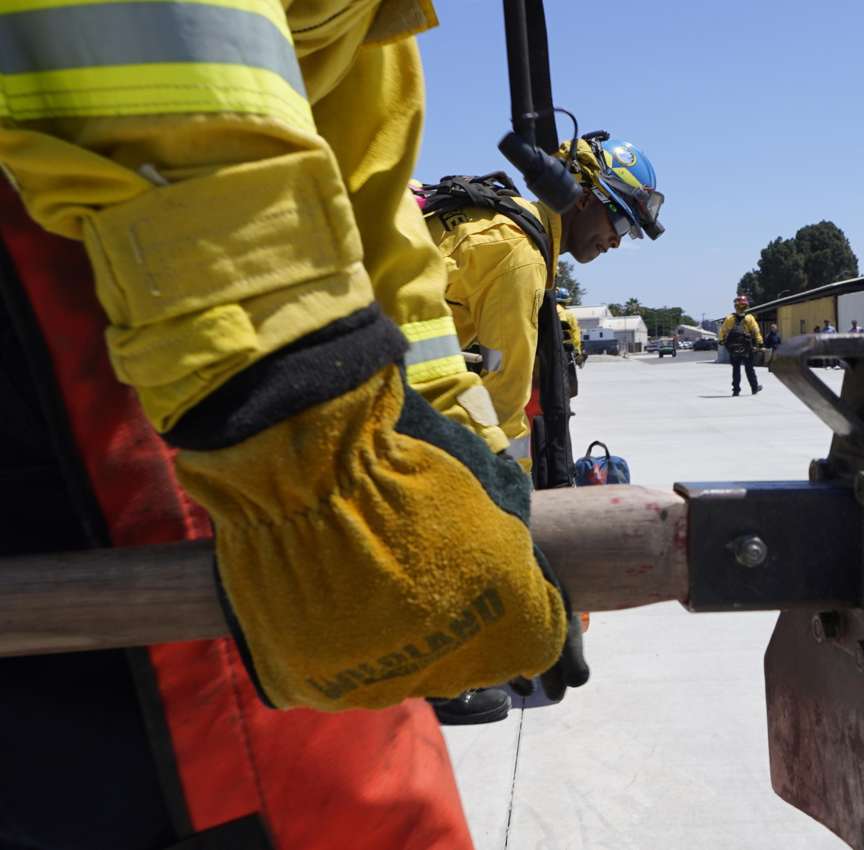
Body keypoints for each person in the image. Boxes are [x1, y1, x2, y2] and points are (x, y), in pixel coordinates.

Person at [0, 3, 585, 846]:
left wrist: (462, 473)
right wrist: (309, 446)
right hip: (138, 391)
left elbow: (367, 204)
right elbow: (159, 58)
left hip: (254, 405)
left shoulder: (380, 38)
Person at [420, 135, 661, 722]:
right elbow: (503, 413)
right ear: (582, 200)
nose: (615, 240)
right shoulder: (520, 257)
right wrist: (523, 527)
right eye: (617, 222)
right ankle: (440, 678)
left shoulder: (508, 229)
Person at [720, 295, 764, 396]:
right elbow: (756, 331)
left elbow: (723, 331)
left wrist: (722, 340)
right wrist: (760, 342)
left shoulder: (729, 318)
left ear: (736, 306)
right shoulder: (750, 318)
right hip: (747, 347)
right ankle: (754, 388)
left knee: (736, 369)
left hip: (733, 348)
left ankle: (736, 390)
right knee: (749, 368)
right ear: (746, 306)